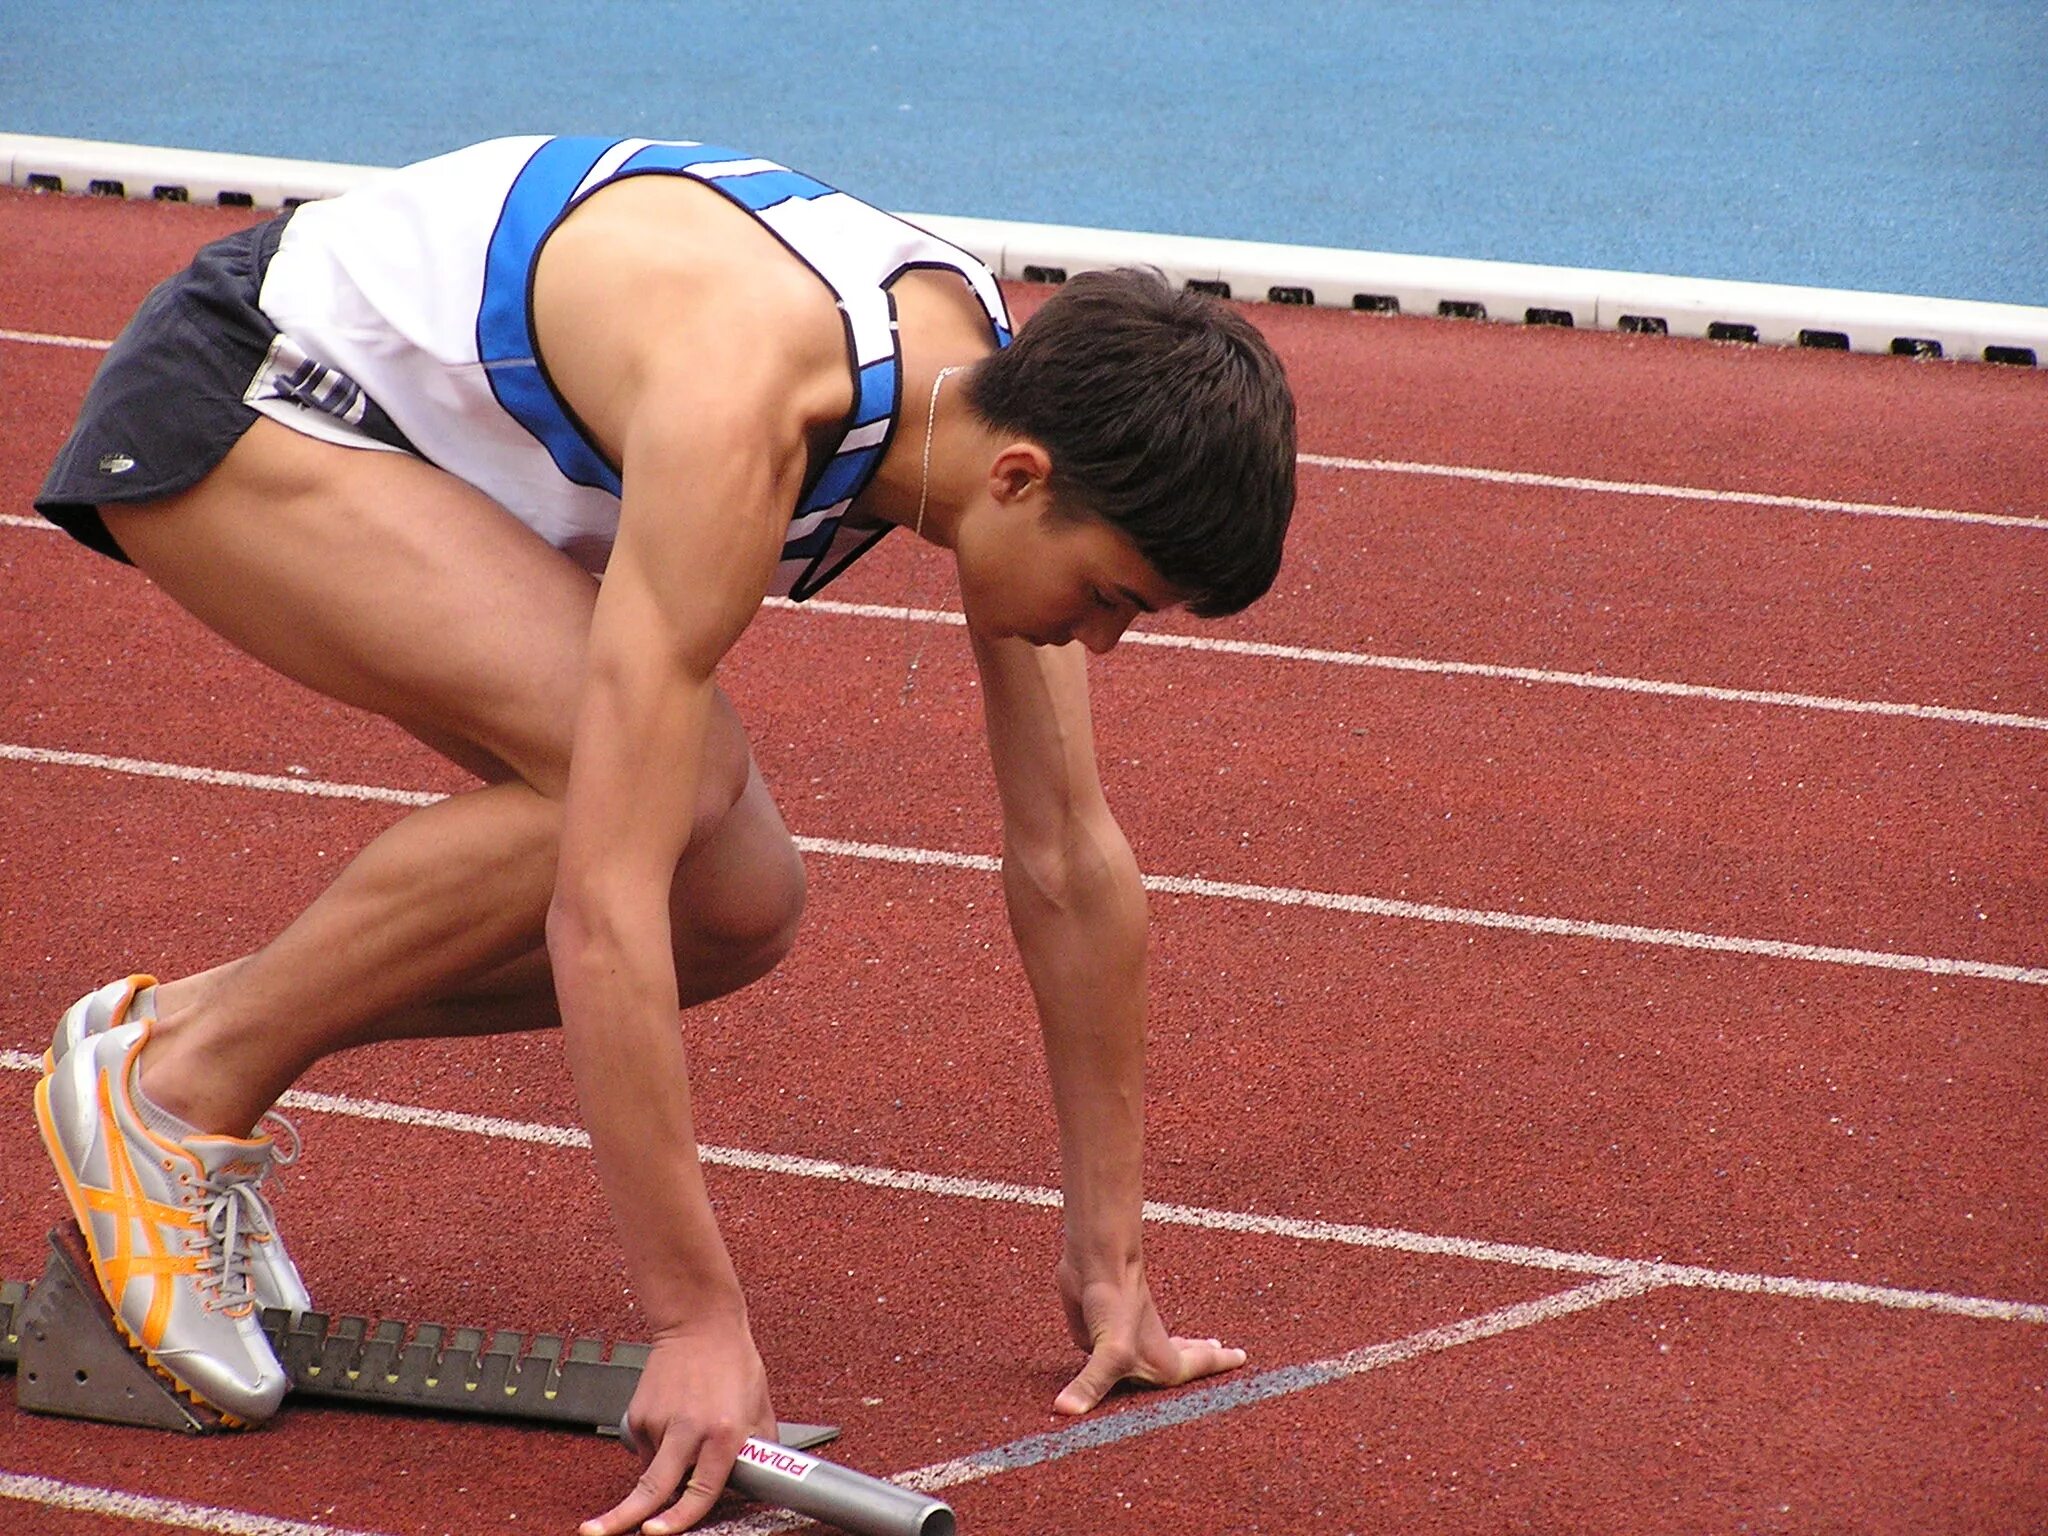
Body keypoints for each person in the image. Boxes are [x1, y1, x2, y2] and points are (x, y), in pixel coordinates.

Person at [31, 134, 1295, 1535]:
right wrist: (693, 1318)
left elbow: (1069, 857)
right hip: (255, 394)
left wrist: (1113, 1256)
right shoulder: (746, 399)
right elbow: (599, 900)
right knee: (660, 795)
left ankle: (185, 1046)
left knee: (740, 903)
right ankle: (172, 1091)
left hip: (431, 452)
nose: (1102, 643)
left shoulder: (1011, 409)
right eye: (1111, 595)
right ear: (1016, 478)